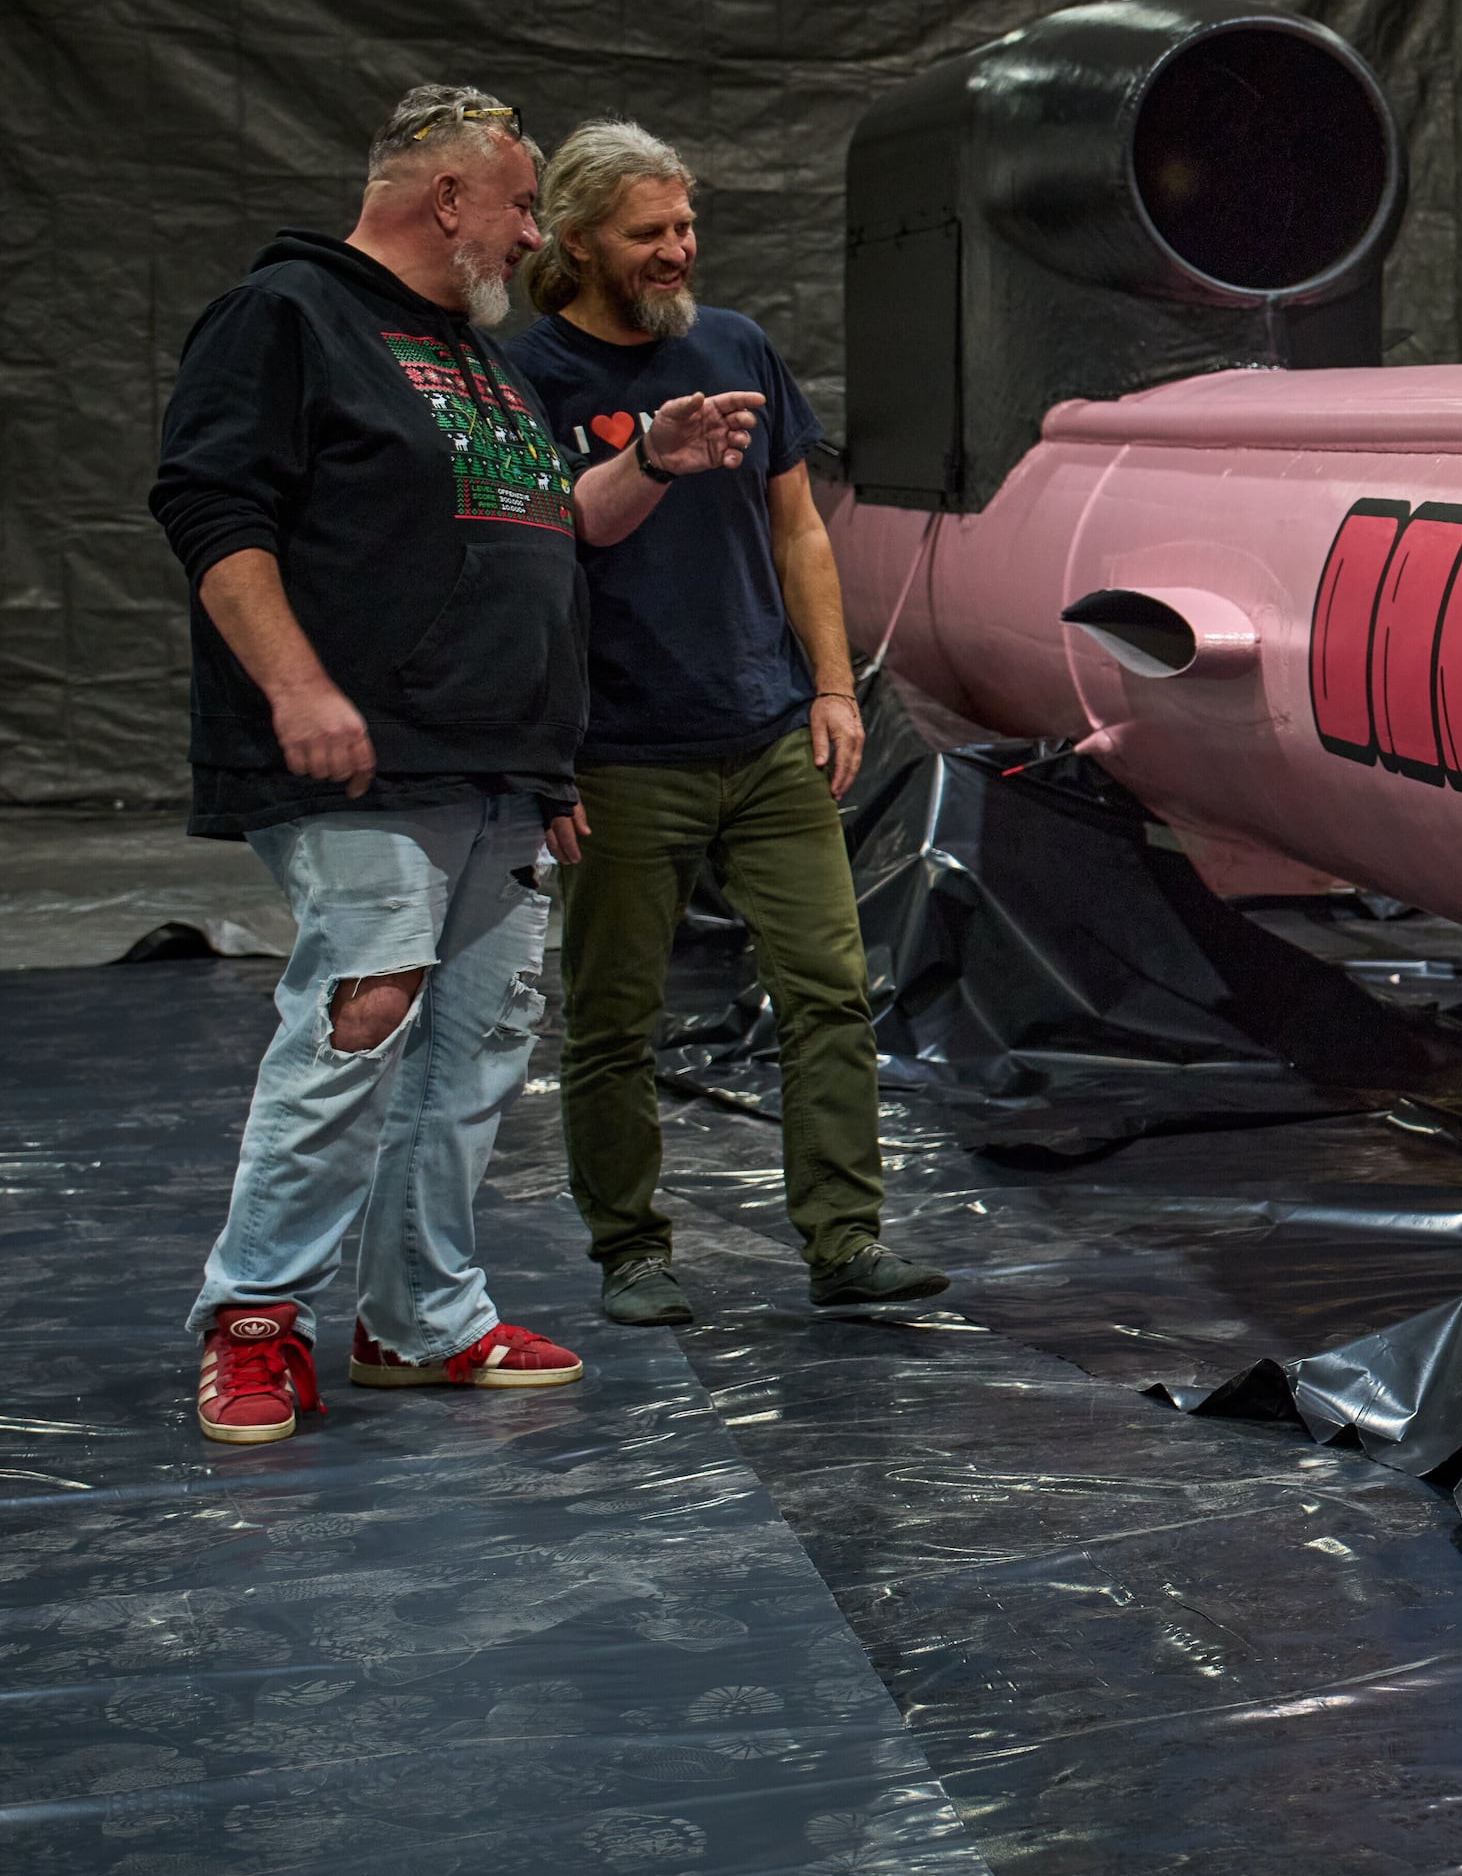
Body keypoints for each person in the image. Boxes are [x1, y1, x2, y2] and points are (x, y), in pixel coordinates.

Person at [153, 85, 769, 1445]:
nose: (529, 234)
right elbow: (211, 508)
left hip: (500, 766)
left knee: (476, 1046)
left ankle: (418, 1318)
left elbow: (545, 526)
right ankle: (255, 1319)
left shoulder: (475, 356)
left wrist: (650, 466)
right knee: (360, 1017)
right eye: (518, 207)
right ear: (448, 199)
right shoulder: (291, 316)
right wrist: (299, 685)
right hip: (369, 754)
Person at [505, 121, 946, 1326]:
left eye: (685, 228)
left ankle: (846, 1240)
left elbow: (800, 528)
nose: (676, 251)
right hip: (621, 751)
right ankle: (631, 1251)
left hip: (765, 737)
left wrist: (834, 685)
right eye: (648, 233)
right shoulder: (530, 375)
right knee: (612, 1016)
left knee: (830, 991)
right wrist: (549, 759)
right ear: (582, 240)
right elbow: (547, 554)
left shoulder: (737, 346)